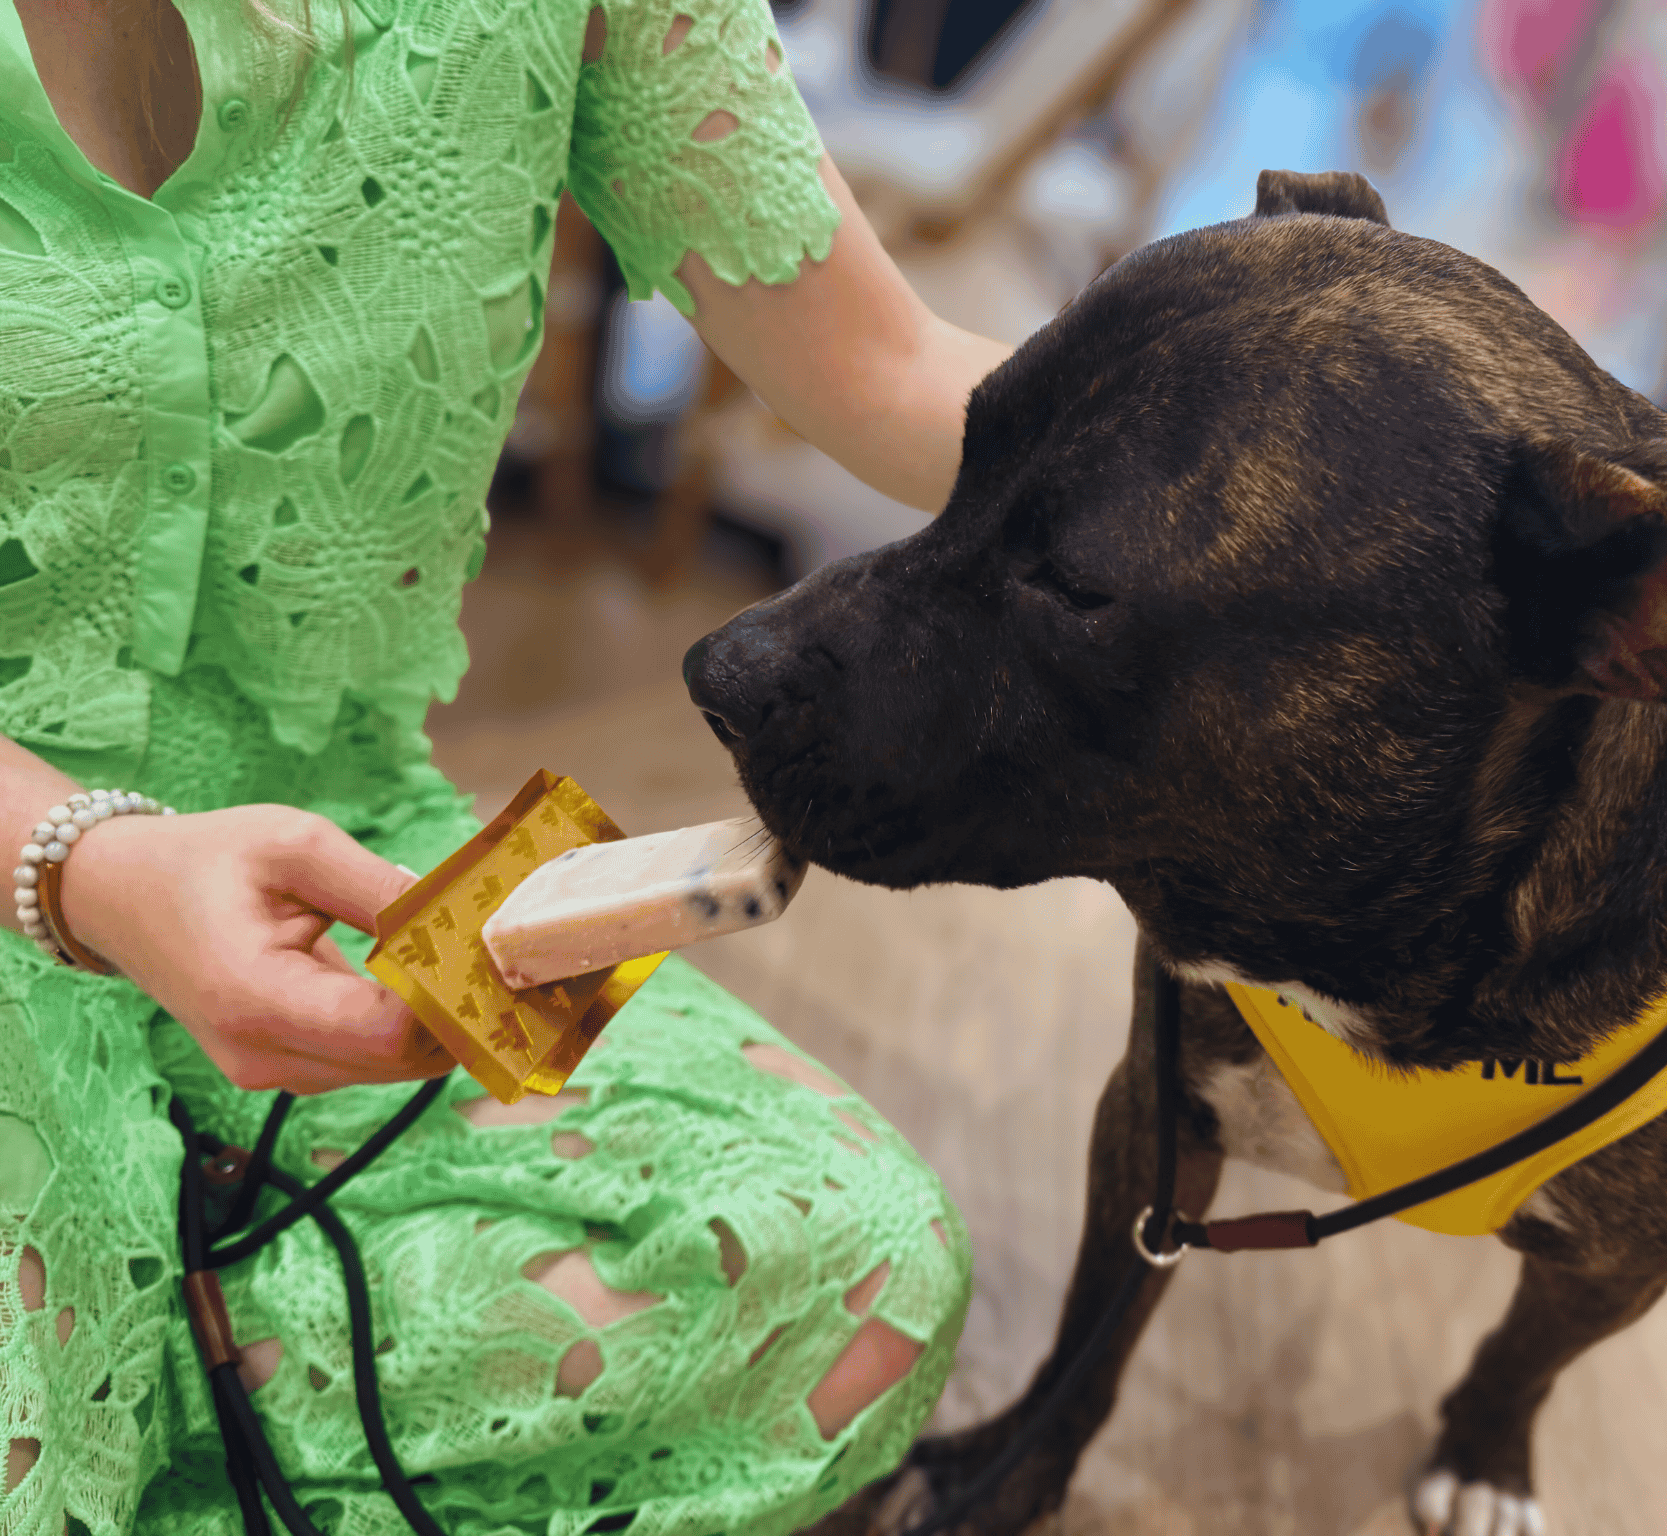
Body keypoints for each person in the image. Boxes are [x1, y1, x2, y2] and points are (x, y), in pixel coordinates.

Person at [0, 0, 1010, 1531]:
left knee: (850, 1280)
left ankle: (160, 1373)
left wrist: (1312, 451)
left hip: (363, 860)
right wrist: (87, 863)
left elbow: (886, 368)